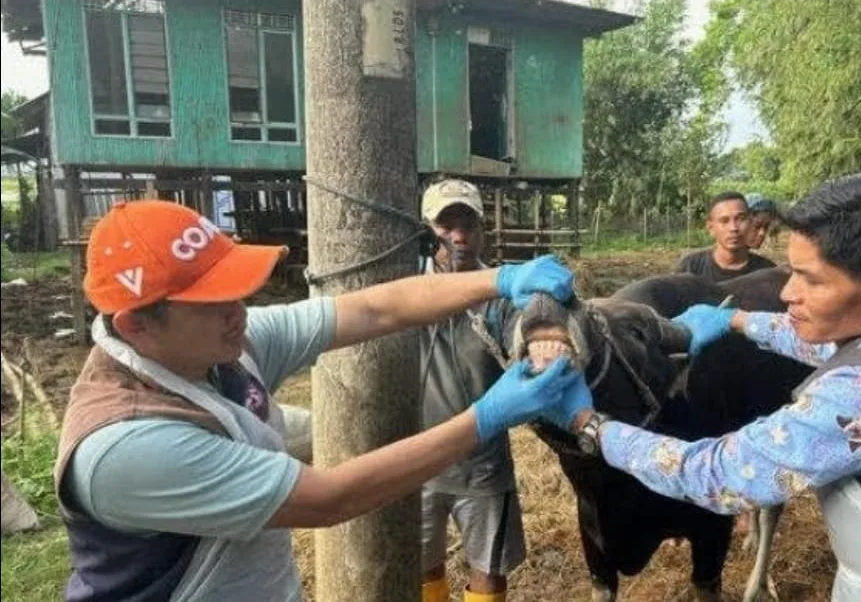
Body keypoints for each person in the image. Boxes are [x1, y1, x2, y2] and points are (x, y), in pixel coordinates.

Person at [53, 199, 584, 601]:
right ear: (137, 326)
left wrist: (501, 278)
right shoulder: (127, 447)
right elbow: (330, 498)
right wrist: (487, 416)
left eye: (234, 290)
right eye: (210, 302)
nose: (238, 310)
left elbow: (376, 310)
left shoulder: (221, 344)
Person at [549, 174, 861, 600]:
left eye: (808, 279)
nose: (786, 292)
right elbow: (835, 349)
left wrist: (590, 426)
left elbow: (717, 475)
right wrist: (737, 319)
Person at [417, 179, 525, 602]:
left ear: (483, 229)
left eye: (469, 224)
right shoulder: (404, 287)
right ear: (427, 230)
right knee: (422, 565)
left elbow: (525, 333)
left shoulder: (502, 293)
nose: (459, 236)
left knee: (489, 571)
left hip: (482, 460)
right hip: (414, 457)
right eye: (447, 226)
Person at [674, 191, 775, 282]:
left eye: (740, 219)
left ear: (749, 222)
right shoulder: (691, 268)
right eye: (724, 221)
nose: (733, 228)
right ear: (711, 228)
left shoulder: (768, 272)